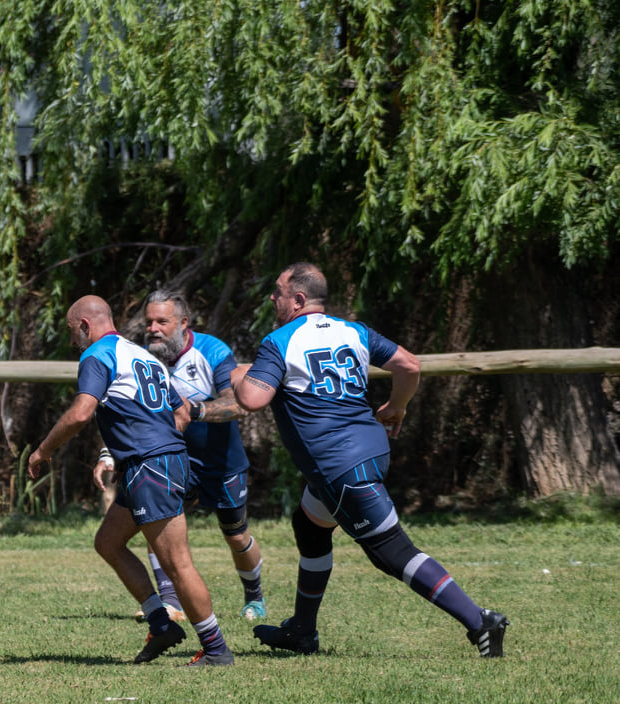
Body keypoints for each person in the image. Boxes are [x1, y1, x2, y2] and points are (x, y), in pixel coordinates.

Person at [235, 263, 509, 657]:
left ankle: (480, 621)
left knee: (392, 552)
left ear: (297, 299)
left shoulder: (279, 341)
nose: (272, 298)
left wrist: (237, 378)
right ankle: (303, 632)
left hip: (340, 466)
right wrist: (397, 407)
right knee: (310, 528)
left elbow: (251, 399)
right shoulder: (355, 331)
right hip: (371, 450)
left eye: (277, 292)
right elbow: (409, 365)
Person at [30, 295, 235, 665]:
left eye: (71, 331)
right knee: (108, 542)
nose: (71, 339)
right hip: (154, 464)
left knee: (177, 563)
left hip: (152, 467)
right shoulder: (142, 356)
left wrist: (42, 451)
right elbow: (181, 411)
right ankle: (161, 624)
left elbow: (81, 414)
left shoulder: (97, 355)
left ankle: (216, 649)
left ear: (84, 326)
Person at [94, 289, 267, 623]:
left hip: (220, 462)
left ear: (183, 323)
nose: (153, 328)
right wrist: (109, 454)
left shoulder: (212, 351)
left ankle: (254, 596)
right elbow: (126, 417)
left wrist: (195, 410)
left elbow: (237, 405)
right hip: (173, 461)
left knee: (235, 534)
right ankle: (171, 603)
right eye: (149, 322)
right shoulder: (142, 358)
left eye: (162, 321)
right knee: (154, 521)